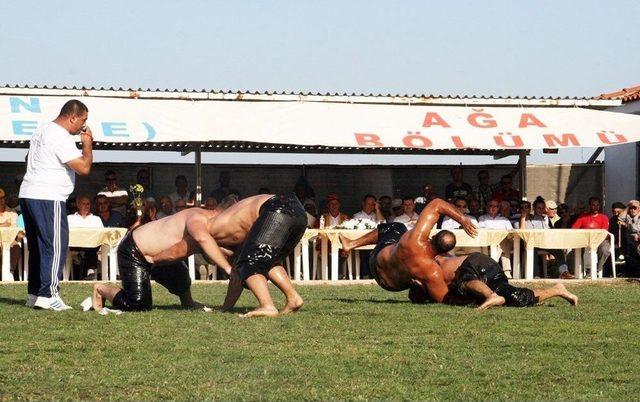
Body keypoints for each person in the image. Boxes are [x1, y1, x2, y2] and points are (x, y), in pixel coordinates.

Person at [19, 99, 93, 310]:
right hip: (48, 195)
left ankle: (35, 294)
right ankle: (48, 294)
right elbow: (84, 168)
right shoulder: (60, 136)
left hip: (29, 192)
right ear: (73, 117)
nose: (84, 126)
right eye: (83, 120)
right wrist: (87, 145)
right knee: (54, 246)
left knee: (38, 247)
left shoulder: (42, 130)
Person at [571, 196, 611, 276]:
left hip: (599, 240)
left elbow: (604, 232)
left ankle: (596, 269)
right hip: (584, 241)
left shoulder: (604, 217)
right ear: (589, 206)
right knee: (572, 252)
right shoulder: (583, 216)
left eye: (597, 205)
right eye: (593, 205)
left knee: (605, 250)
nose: (596, 207)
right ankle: (578, 272)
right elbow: (574, 229)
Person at [67, 194, 103, 280]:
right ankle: (89, 268)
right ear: (78, 205)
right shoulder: (70, 218)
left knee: (92, 245)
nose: (86, 206)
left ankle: (83, 260)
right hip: (74, 245)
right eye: (84, 204)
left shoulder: (96, 219)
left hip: (92, 245)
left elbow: (101, 233)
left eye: (88, 204)